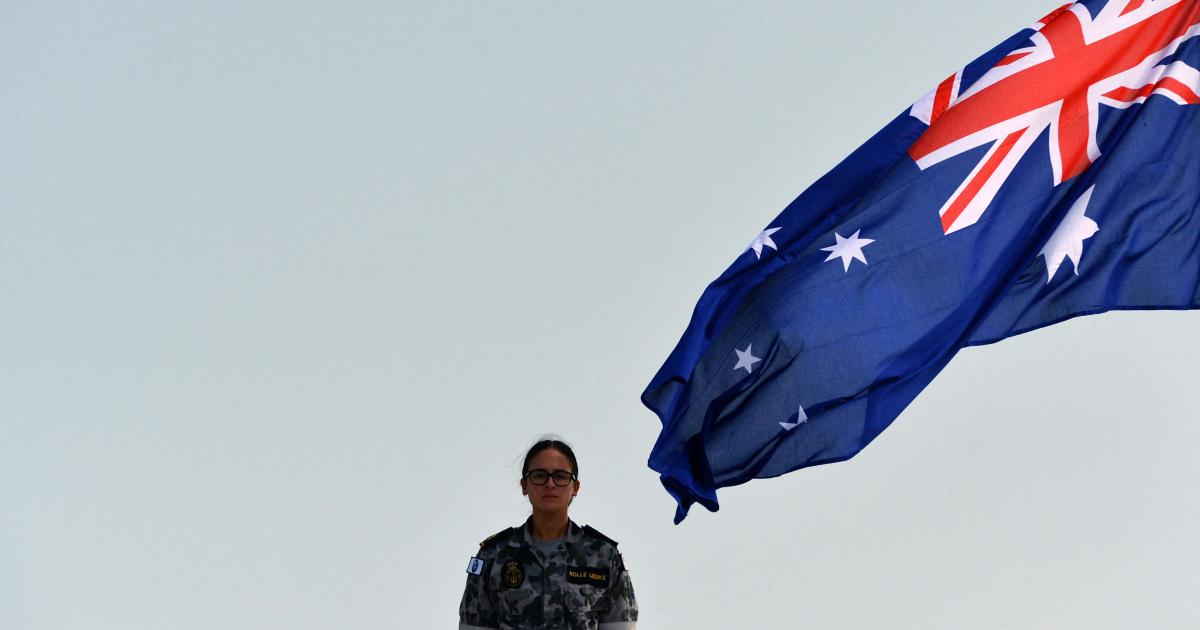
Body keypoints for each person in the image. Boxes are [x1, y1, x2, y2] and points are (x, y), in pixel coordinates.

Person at [459, 438, 638, 630]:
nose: (550, 484)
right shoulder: (492, 556)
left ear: (575, 487)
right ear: (524, 485)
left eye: (560, 476)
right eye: (539, 475)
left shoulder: (604, 556)